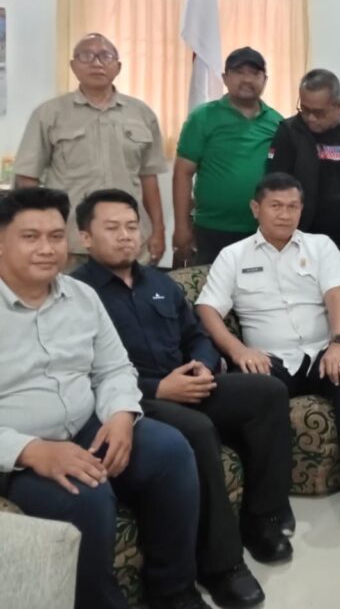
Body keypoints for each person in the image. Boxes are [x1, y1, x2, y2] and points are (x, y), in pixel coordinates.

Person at [73, 189, 296, 608]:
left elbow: (197, 335)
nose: (125, 236)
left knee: (267, 392)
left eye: (131, 226)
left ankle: (261, 519)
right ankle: (221, 565)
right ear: (86, 237)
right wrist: (159, 388)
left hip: (189, 384)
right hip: (137, 400)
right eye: (112, 228)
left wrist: (203, 366)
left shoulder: (160, 282)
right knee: (197, 430)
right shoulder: (77, 293)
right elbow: (85, 375)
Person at [0, 188, 207, 609]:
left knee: (171, 451)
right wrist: (31, 450)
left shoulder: (81, 297)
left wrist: (121, 415)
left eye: (55, 236)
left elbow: (113, 368)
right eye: (30, 237)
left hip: (88, 426)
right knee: (86, 495)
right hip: (18, 449)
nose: (47, 249)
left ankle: (173, 591)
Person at [194, 173, 340, 531]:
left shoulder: (320, 246)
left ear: (301, 209)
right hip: (267, 359)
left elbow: (336, 295)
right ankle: (272, 500)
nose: (285, 214)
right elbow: (207, 309)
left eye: (292, 206)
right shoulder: (234, 255)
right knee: (260, 393)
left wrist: (339, 342)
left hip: (320, 353)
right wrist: (238, 350)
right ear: (255, 208)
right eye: (275, 206)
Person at [13, 33, 167, 270]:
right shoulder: (49, 114)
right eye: (86, 56)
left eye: (105, 56)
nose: (96, 63)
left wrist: (158, 230)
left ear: (118, 67)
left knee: (128, 294)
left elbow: (149, 179)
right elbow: (27, 178)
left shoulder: (141, 114)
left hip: (128, 239)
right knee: (67, 294)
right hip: (71, 239)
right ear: (73, 66)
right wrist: (39, 230)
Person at [173, 47, 283, 267]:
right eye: (239, 72)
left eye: (255, 73)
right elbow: (182, 173)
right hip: (211, 229)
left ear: (265, 80)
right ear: (225, 78)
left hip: (260, 229)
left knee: (257, 287)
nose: (247, 79)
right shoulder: (202, 117)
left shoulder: (277, 122)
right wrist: (182, 226)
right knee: (209, 287)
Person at [266, 68, 340, 256]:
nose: (310, 118)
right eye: (304, 110)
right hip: (304, 242)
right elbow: (274, 187)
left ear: (338, 106)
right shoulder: (289, 132)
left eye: (319, 113)